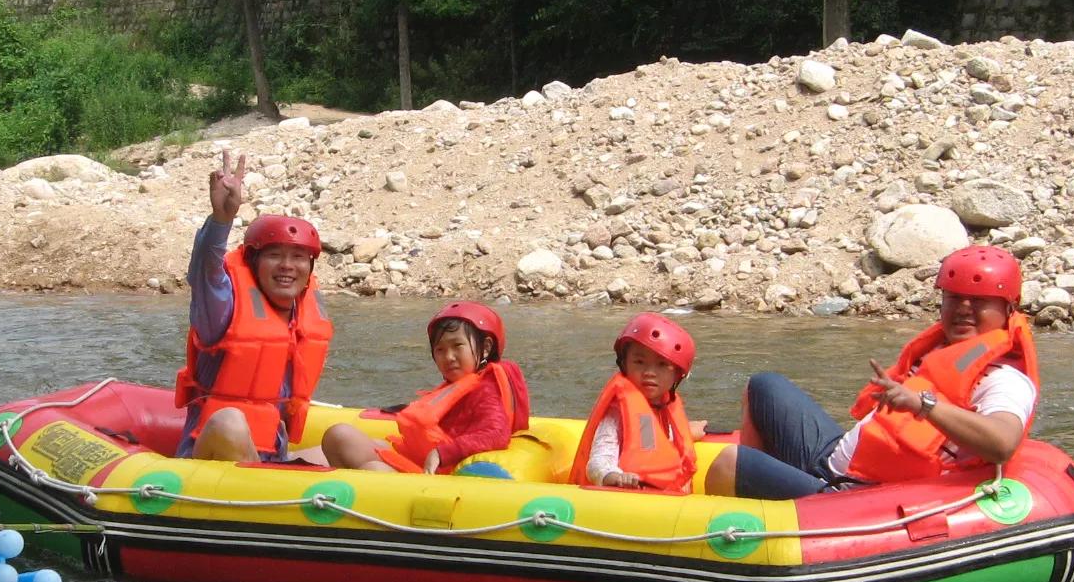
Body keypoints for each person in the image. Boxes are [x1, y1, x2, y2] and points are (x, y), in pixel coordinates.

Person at [703, 246, 1039, 499]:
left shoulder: (1005, 380)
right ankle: (766, 497)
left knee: (730, 463)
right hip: (835, 463)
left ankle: (746, 528)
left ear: (1009, 309)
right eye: (954, 298)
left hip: (854, 496)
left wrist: (924, 404)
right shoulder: (942, 350)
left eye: (978, 301)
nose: (963, 309)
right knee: (764, 386)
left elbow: (1002, 443)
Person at [174, 150, 333, 463]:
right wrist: (222, 220)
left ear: (310, 267)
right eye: (275, 255)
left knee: (345, 439)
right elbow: (206, 270)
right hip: (211, 459)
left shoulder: (305, 313)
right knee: (230, 422)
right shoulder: (222, 309)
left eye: (299, 257)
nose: (287, 266)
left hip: (272, 456)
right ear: (253, 261)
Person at [320, 302, 530, 473]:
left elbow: (496, 434)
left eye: (457, 346)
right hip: (421, 460)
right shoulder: (456, 385)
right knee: (339, 435)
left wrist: (443, 453)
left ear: (485, 348)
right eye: (440, 350)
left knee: (373, 469)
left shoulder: (486, 389)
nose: (448, 357)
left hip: (439, 474)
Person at [571, 313, 702, 492]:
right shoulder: (616, 412)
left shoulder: (663, 408)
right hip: (624, 498)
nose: (649, 372)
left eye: (662, 365)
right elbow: (598, 462)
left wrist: (689, 432)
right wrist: (616, 477)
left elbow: (652, 442)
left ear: (677, 375)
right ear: (624, 364)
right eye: (639, 362)